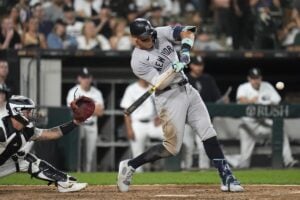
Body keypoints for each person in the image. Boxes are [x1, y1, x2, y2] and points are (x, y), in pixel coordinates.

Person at [117, 18, 244, 192]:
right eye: (145, 39)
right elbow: (159, 83)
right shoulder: (137, 61)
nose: (151, 40)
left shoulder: (159, 33)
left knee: (208, 131)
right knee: (171, 148)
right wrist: (173, 69)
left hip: (187, 88)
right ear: (135, 40)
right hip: (168, 97)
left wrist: (185, 51)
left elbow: (189, 30)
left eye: (151, 36)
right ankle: (131, 164)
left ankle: (227, 176)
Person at [0, 95, 87, 192]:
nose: (30, 114)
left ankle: (65, 183)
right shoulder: (2, 129)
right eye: (28, 111)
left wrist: (75, 122)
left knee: (27, 159)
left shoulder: (27, 130)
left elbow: (52, 133)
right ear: (17, 110)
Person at [235, 67, 298, 168]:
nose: (255, 80)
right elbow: (241, 100)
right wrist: (251, 101)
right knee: (244, 164)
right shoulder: (243, 87)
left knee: (280, 131)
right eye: (253, 78)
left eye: (257, 78)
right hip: (248, 127)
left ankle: (288, 161)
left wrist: (263, 101)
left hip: (263, 123)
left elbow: (277, 100)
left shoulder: (267, 86)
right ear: (249, 79)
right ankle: (232, 163)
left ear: (261, 78)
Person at [182, 56, 229, 170]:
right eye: (196, 65)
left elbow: (217, 98)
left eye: (200, 65)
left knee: (203, 147)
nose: (199, 67)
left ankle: (204, 170)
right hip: (186, 119)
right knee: (187, 147)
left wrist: (223, 100)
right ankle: (185, 170)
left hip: (202, 119)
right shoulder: (184, 78)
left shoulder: (208, 79)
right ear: (191, 65)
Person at [120, 78, 163, 172]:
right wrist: (129, 129)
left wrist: (159, 117)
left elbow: (162, 105)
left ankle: (168, 167)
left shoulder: (153, 88)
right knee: (137, 154)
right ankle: (139, 179)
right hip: (137, 124)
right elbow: (126, 112)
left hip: (152, 123)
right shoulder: (131, 89)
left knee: (169, 135)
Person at [66, 67, 104, 172]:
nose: (86, 80)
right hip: (78, 126)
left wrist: (83, 108)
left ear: (91, 78)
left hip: (91, 126)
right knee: (77, 154)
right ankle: (77, 174)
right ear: (79, 78)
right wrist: (92, 108)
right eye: (83, 77)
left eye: (87, 77)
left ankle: (87, 176)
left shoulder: (96, 92)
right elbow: (74, 110)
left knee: (89, 156)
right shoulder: (73, 91)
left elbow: (100, 112)